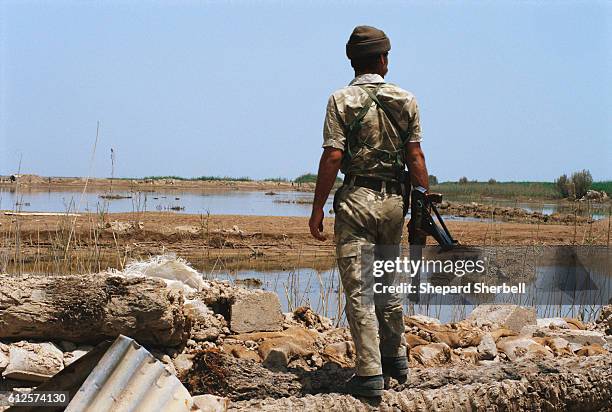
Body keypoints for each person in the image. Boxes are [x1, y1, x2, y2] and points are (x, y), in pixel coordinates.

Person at [309, 25, 430, 397]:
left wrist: (317, 210)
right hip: (395, 202)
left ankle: (369, 374)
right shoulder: (405, 99)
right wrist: (421, 209)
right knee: (387, 283)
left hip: (357, 199)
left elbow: (333, 156)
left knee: (360, 290)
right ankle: (396, 359)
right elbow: (416, 158)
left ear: (353, 61)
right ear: (381, 59)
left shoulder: (341, 100)